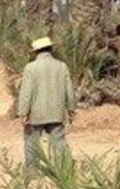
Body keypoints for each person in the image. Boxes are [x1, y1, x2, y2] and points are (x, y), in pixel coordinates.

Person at [17, 36, 76, 169]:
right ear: (51, 49)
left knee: (32, 142)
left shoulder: (30, 68)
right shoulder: (62, 66)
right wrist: (71, 109)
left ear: (36, 51)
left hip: (35, 114)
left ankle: (33, 172)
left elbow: (26, 93)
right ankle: (64, 171)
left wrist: (23, 112)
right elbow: (69, 90)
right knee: (59, 142)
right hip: (57, 112)